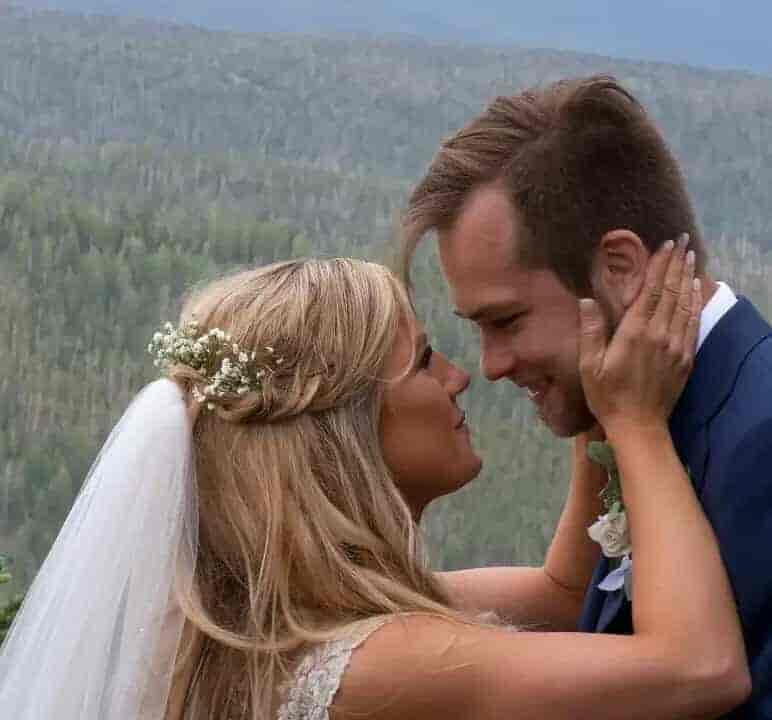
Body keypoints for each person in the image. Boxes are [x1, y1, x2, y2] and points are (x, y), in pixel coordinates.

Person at [0, 255, 748, 720]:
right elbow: (700, 669)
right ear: (346, 427)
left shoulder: (266, 622)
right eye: (424, 360)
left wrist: (587, 402)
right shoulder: (378, 661)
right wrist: (638, 422)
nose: (461, 376)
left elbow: (561, 594)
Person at [402, 74, 772, 718]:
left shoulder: (760, 436)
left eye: (508, 320)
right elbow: (571, 601)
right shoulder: (633, 409)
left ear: (620, 267)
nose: (488, 366)